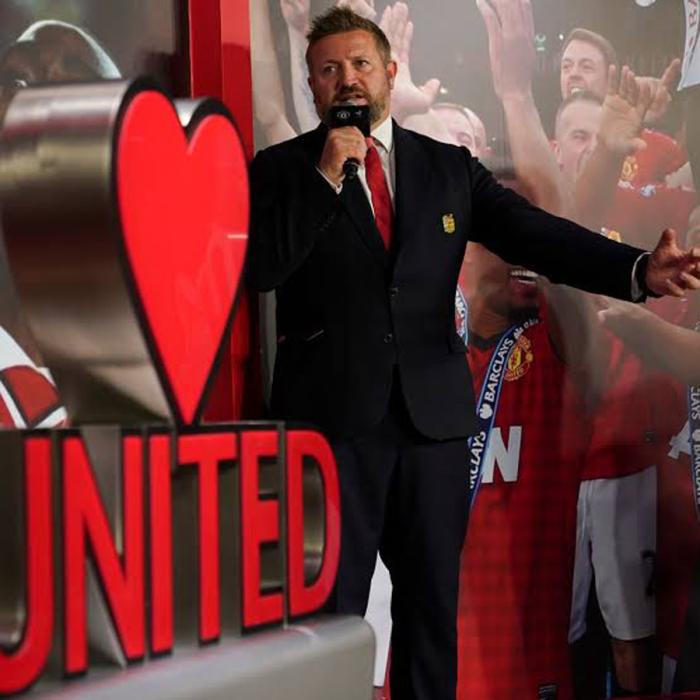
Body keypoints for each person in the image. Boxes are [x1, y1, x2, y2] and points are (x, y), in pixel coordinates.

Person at [246, 8, 700, 699]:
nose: (348, 79)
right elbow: (261, 269)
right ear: (312, 84)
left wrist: (637, 269)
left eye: (361, 64)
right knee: (329, 626)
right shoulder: (284, 169)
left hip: (432, 429)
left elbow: (539, 233)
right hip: (332, 435)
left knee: (432, 616)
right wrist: (325, 179)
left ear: (389, 73)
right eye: (329, 68)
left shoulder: (446, 168)